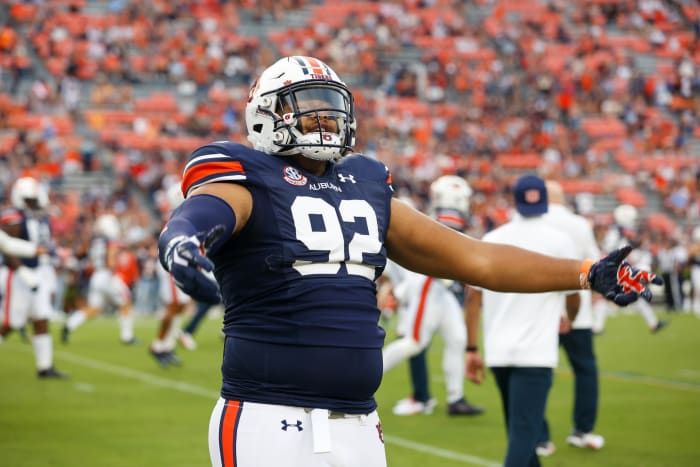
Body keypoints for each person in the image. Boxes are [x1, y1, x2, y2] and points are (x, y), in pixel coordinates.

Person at [157, 56, 660, 467]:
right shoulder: (248, 172)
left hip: (358, 424)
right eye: (307, 110)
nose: (324, 121)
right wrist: (182, 242)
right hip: (267, 417)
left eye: (331, 110)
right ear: (266, 116)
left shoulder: (364, 183)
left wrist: (584, 273)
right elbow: (203, 212)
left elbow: (477, 259)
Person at [465, 174, 583, 467]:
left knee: (521, 434)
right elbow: (574, 293)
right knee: (523, 436)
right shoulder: (561, 241)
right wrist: (569, 317)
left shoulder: (493, 239)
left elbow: (472, 298)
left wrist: (471, 348)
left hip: (499, 351)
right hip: (536, 353)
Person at [382, 176, 483, 417]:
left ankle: (455, 398)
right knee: (414, 342)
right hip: (429, 282)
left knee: (457, 339)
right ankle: (360, 378)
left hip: (440, 286)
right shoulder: (450, 218)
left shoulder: (434, 215)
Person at [536, 180, 605, 456]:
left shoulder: (533, 222)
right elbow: (594, 266)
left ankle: (540, 437)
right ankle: (583, 430)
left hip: (541, 309)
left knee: (537, 372)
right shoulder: (578, 224)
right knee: (585, 369)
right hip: (578, 311)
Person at [0, 177, 67, 379]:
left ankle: (44, 366)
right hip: (18, 274)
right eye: (30, 199)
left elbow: (28, 246)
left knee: (41, 318)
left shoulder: (39, 216)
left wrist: (46, 255)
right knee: (10, 323)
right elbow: (7, 247)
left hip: (37, 272)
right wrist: (21, 270)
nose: (35, 202)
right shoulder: (13, 216)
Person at [62, 213, 139, 345]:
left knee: (94, 308)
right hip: (107, 275)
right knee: (126, 301)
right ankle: (127, 337)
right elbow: (110, 261)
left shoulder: (94, 241)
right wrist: (113, 272)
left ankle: (69, 325)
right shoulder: (110, 241)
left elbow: (80, 254)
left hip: (96, 276)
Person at [596, 204, 668, 334]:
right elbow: (611, 251)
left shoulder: (618, 232)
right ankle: (653, 323)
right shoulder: (617, 232)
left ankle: (597, 327)